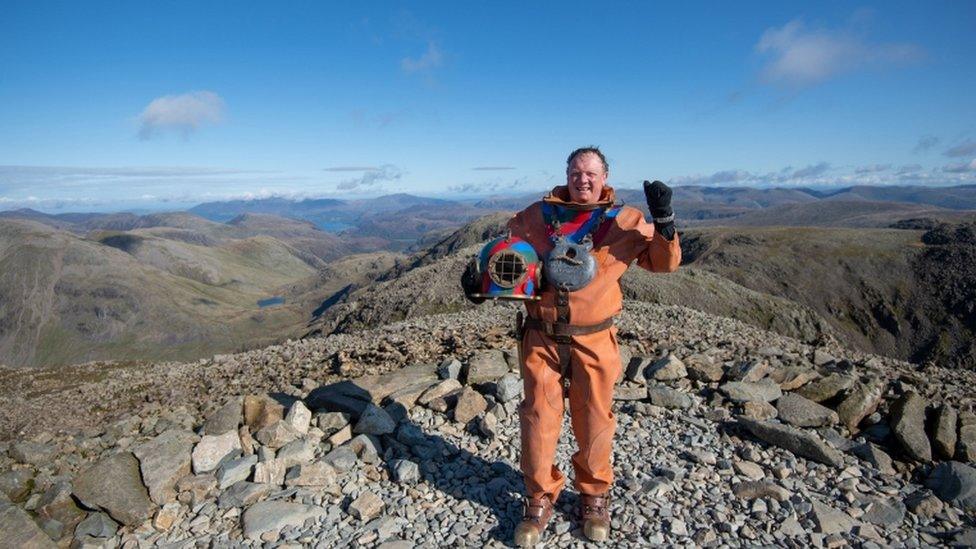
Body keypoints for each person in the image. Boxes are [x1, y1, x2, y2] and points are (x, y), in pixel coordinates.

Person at [463, 147, 681, 546]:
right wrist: (480, 283)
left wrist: (665, 222)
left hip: (595, 338)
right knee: (537, 417)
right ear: (566, 174)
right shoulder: (535, 217)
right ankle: (538, 498)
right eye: (577, 172)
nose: (584, 179)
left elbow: (663, 263)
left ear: (605, 176)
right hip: (540, 336)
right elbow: (512, 262)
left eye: (591, 173)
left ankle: (594, 495)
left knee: (596, 417)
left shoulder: (626, 221)